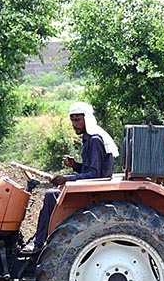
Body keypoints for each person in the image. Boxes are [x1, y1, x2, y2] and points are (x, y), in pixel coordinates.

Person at [23, 102, 118, 253]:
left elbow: (95, 175)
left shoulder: (94, 140)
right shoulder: (88, 138)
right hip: (92, 184)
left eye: (77, 120)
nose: (74, 124)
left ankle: (38, 241)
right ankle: (40, 238)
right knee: (53, 193)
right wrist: (75, 166)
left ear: (87, 119)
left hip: (95, 188)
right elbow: (91, 170)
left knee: (51, 195)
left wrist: (66, 179)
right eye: (72, 120)